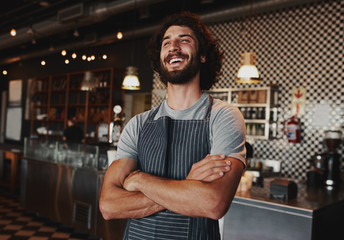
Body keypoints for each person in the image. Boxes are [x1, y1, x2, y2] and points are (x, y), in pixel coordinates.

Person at [99, 11, 246, 240]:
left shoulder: (223, 116)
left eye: (184, 40)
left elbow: (213, 203)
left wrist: (139, 180)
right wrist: (188, 187)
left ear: (203, 55)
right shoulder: (138, 124)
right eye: (167, 42)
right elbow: (109, 205)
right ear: (160, 58)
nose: (174, 47)